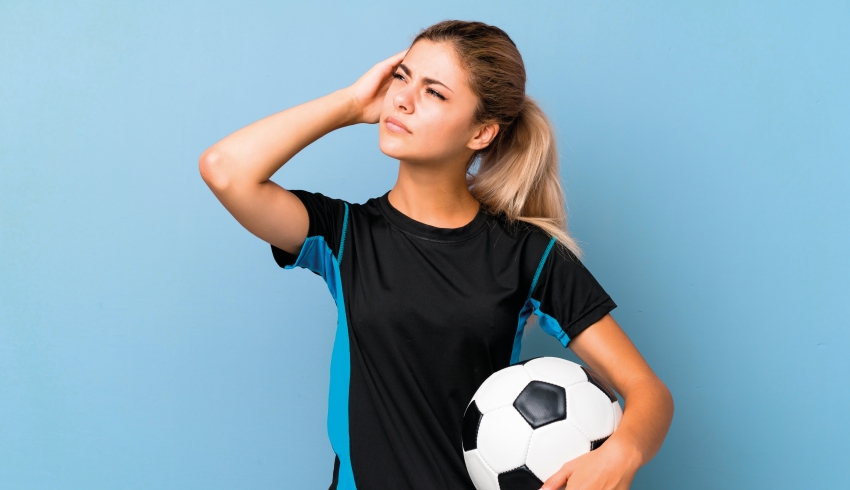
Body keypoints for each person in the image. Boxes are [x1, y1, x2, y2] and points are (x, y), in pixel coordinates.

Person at [199, 19, 673, 490]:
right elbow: (225, 170)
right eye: (402, 77)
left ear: (481, 133)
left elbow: (648, 393)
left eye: (435, 92)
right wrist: (349, 104)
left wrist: (622, 453)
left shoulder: (527, 254)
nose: (402, 98)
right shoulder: (343, 235)